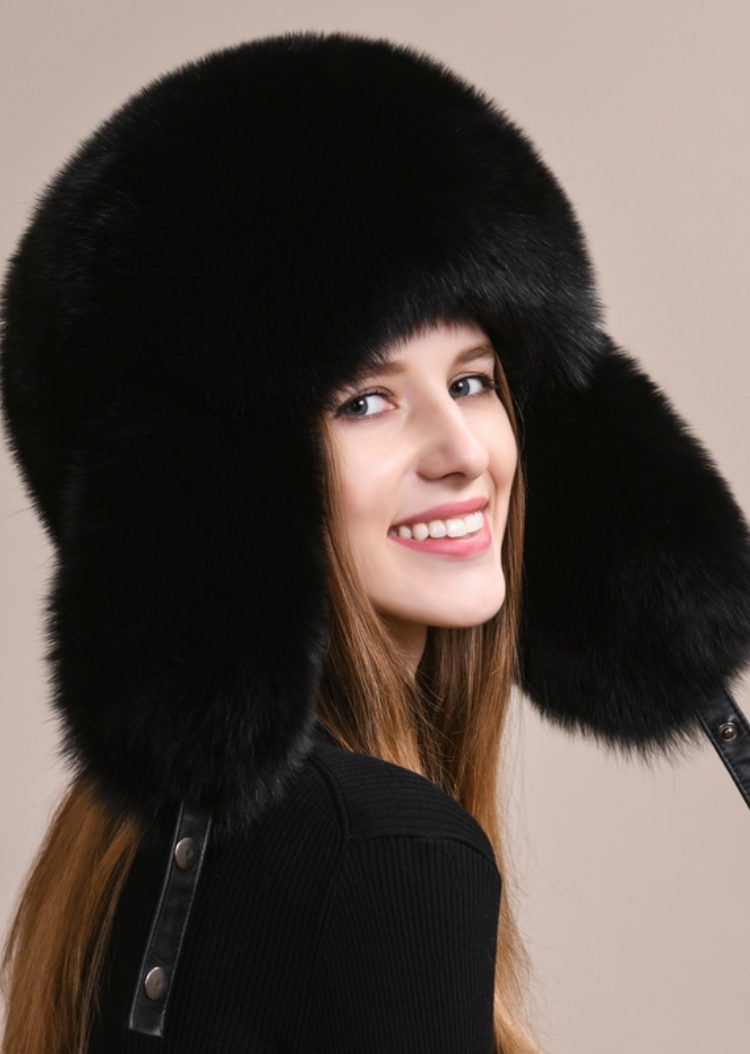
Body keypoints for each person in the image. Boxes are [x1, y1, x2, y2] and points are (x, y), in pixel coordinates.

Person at [2, 31, 750, 1054]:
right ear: (215, 499)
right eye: (364, 400)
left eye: (473, 381)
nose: (462, 451)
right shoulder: (383, 850)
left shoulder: (114, 857)